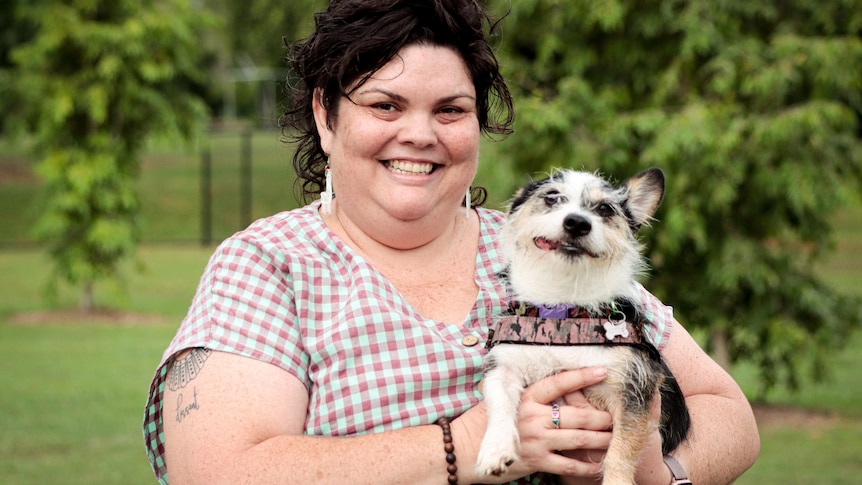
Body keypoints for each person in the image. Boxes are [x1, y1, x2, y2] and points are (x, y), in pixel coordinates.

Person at [142, 1, 760, 483]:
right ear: (326, 117)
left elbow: (730, 416)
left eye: (450, 110)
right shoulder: (271, 264)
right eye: (385, 105)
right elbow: (216, 473)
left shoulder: (546, 251)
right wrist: (468, 443)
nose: (419, 134)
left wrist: (654, 471)